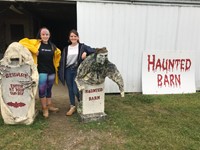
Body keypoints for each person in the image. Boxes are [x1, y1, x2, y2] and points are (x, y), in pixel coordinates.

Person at [19, 27, 61, 118]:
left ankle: (49, 105)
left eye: (47, 34)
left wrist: (56, 65)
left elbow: (58, 54)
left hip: (51, 72)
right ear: (40, 35)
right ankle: (44, 108)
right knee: (42, 90)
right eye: (43, 34)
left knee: (49, 89)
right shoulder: (36, 43)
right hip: (41, 71)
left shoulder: (52, 46)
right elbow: (22, 42)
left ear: (49, 35)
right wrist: (34, 50)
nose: (45, 36)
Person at [59, 29, 95, 116]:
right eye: (71, 36)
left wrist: (86, 53)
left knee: (76, 89)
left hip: (77, 70)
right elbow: (62, 61)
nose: (73, 38)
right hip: (68, 70)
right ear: (69, 38)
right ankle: (72, 106)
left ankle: (81, 103)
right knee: (70, 89)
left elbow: (94, 51)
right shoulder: (66, 49)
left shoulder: (82, 47)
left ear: (78, 37)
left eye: (75, 36)